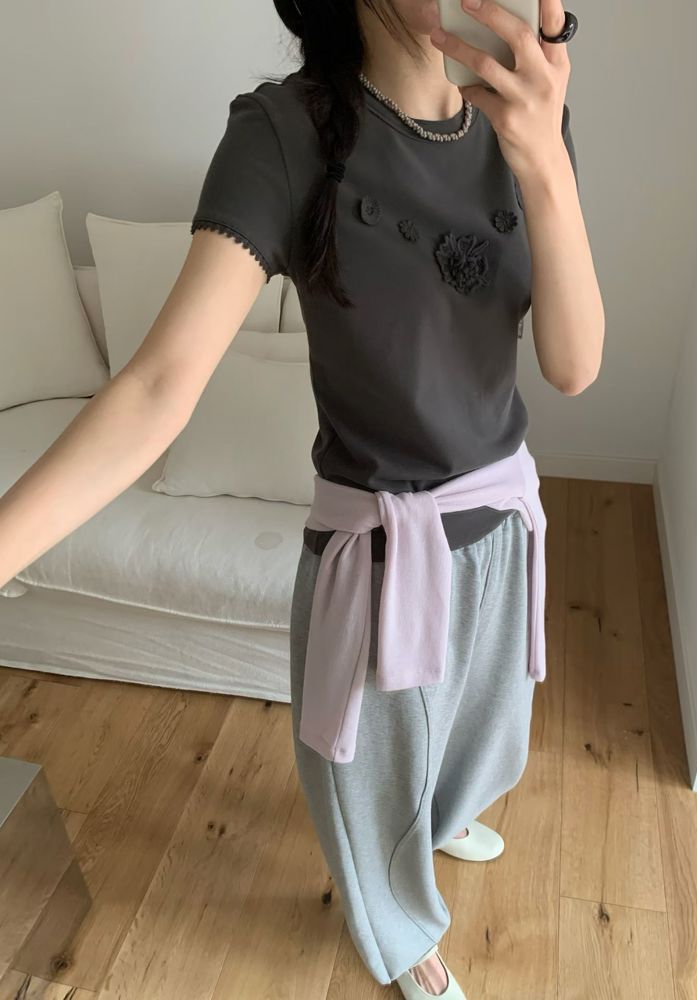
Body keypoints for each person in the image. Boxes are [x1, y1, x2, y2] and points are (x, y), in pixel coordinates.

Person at [0, 0, 603, 996]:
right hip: (380, 553)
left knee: (479, 743)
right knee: (368, 794)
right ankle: (402, 936)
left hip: (504, 527)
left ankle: (439, 819)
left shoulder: (530, 119)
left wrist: (543, 158)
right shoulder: (284, 133)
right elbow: (156, 388)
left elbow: (574, 365)